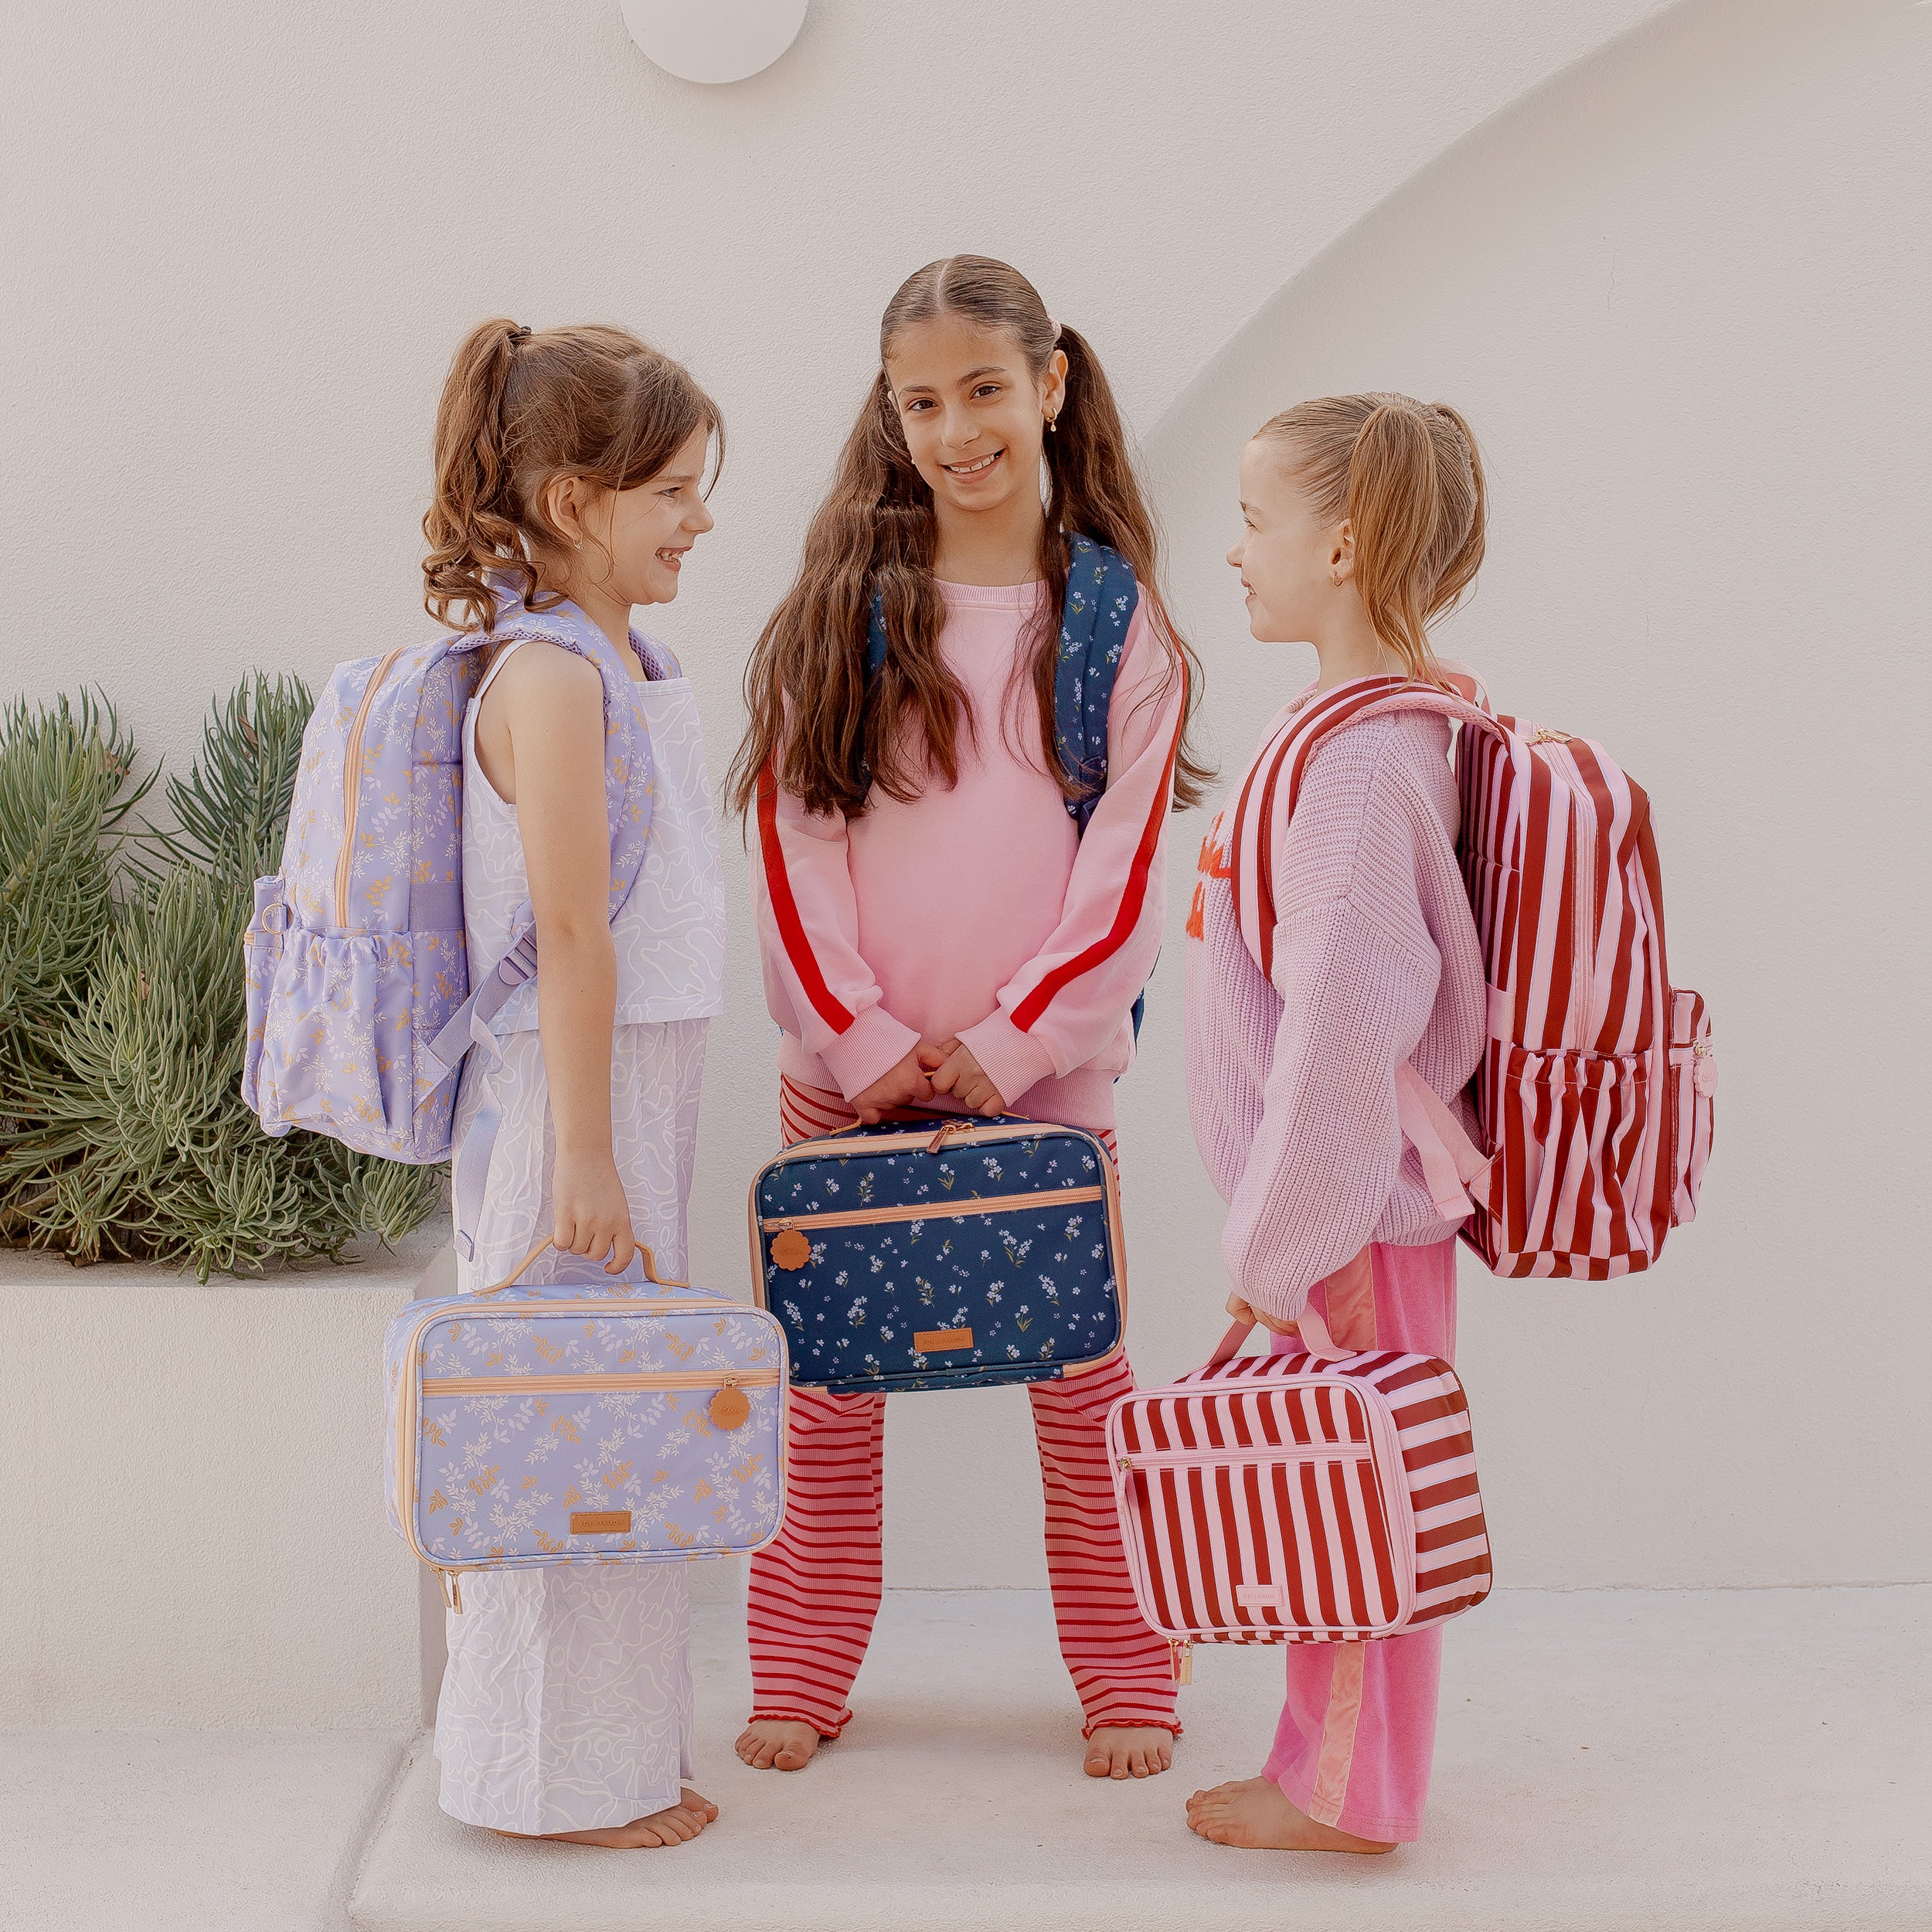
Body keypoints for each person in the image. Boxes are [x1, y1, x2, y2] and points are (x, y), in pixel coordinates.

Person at [726, 254, 1210, 1781]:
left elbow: (1121, 885)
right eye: (921, 400)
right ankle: (801, 1673)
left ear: (1049, 383)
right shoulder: (842, 606)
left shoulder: (1114, 627)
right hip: (841, 1082)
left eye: (984, 390)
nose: (954, 428)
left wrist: (1005, 1044)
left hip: (1043, 1085)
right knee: (827, 1406)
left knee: (1082, 1401)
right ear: (892, 410)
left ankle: (1130, 1680)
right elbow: (788, 841)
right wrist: (863, 1042)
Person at [423, 318, 728, 1848]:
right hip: (568, 1098)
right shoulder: (545, 673)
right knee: (551, 1426)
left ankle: (614, 1758)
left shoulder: (624, 652)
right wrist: (587, 1165)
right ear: (567, 498)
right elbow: (563, 930)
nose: (698, 515)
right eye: (670, 486)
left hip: (626, 1091)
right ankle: (540, 1778)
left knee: (626, 1422)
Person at [1183, 393, 1488, 1852]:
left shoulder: (1363, 765)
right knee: (1331, 1492)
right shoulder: (1365, 734)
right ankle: (1321, 1766)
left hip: (1348, 1212)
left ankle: (1351, 1794)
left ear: (1346, 542)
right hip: (1349, 1207)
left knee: (1355, 1497)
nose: (1235, 552)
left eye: (1256, 521)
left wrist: (1277, 1243)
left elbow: (1346, 1027)